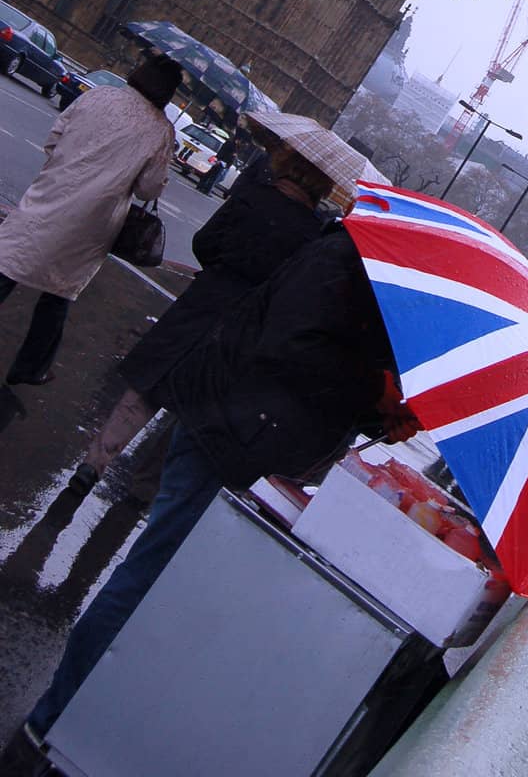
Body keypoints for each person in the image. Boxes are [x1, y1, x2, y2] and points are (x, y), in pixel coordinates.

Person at [24, 224, 418, 742]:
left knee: (176, 587)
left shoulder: (366, 276)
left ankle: (93, 715)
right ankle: (54, 720)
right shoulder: (340, 256)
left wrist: (379, 413)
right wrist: (374, 391)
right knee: (150, 578)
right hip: (227, 430)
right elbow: (290, 345)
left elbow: (331, 361)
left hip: (257, 441)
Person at [70, 143, 332, 494]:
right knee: (194, 409)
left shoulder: (252, 197)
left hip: (204, 301)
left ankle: (94, 463)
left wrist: (222, 267)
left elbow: (205, 242)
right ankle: (145, 488)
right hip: (242, 330)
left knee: (148, 387)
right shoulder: (312, 236)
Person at [0, 55, 181, 388]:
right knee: (59, 291)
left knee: (10, 262)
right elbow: (147, 189)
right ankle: (31, 365)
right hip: (93, 222)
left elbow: (54, 139)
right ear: (167, 93)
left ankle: (34, 365)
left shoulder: (99, 95)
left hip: (50, 195)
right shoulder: (160, 131)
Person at [196, 128, 238, 195]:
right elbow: (227, 154)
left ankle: (201, 186)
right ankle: (206, 190)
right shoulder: (232, 145)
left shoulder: (230, 143)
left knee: (210, 174)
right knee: (214, 177)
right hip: (222, 162)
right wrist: (221, 160)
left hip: (221, 161)